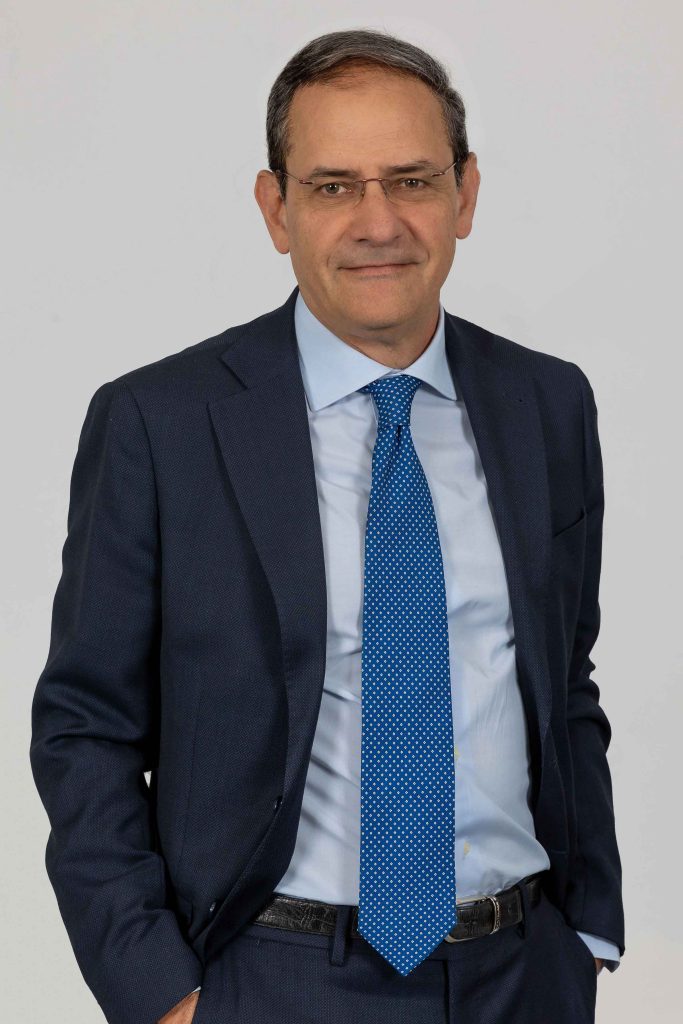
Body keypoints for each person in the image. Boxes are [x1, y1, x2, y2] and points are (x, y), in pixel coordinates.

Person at [29, 27, 624, 1024]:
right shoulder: (161, 425)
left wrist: (587, 931)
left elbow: (563, 681)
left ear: (465, 194)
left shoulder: (545, 404)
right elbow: (85, 725)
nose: (377, 222)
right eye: (334, 186)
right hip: (271, 979)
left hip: (521, 976)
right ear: (277, 208)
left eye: (412, 181)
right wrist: (159, 992)